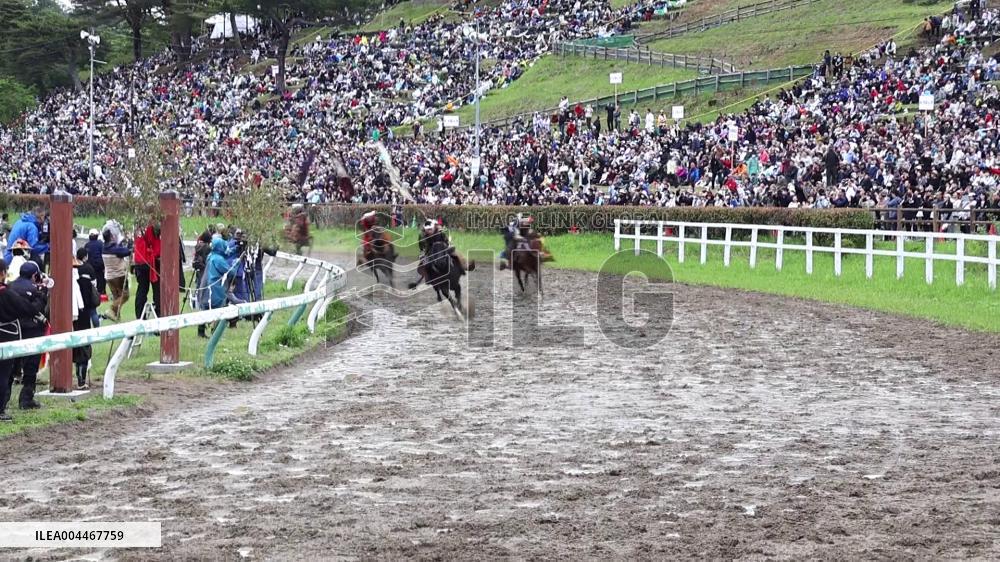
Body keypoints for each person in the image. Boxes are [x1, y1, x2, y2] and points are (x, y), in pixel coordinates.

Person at [8, 261, 50, 410]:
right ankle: (26, 399)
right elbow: (35, 309)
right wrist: (43, 293)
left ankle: (4, 401)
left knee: (10, 367)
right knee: (31, 367)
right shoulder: (35, 290)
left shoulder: (10, 286)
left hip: (13, 331)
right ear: (35, 275)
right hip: (32, 330)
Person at [0, 259, 38, 422]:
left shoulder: (10, 289)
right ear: (2, 273)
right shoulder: (5, 292)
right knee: (3, 374)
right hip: (6, 334)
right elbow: (27, 309)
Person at [73, 248, 99, 389]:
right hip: (83, 316)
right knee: (83, 347)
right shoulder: (86, 279)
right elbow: (91, 300)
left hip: (74, 318)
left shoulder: (67, 281)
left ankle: (80, 378)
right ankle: (81, 380)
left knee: (78, 348)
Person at [102, 229, 132, 321]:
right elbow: (127, 251)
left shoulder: (104, 248)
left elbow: (119, 249)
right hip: (119, 275)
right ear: (111, 237)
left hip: (109, 277)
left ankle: (117, 317)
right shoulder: (115, 249)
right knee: (125, 296)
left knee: (117, 297)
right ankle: (111, 310)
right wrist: (130, 242)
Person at [133, 222, 161, 319]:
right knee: (157, 289)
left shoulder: (138, 226)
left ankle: (140, 315)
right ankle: (159, 314)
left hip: (139, 261)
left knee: (142, 289)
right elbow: (152, 241)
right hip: (149, 260)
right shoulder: (150, 227)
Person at [84, 228, 106, 296]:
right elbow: (103, 254)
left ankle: (92, 292)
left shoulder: (87, 245)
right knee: (101, 278)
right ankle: (101, 292)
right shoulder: (100, 244)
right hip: (100, 265)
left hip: (90, 265)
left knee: (92, 278)